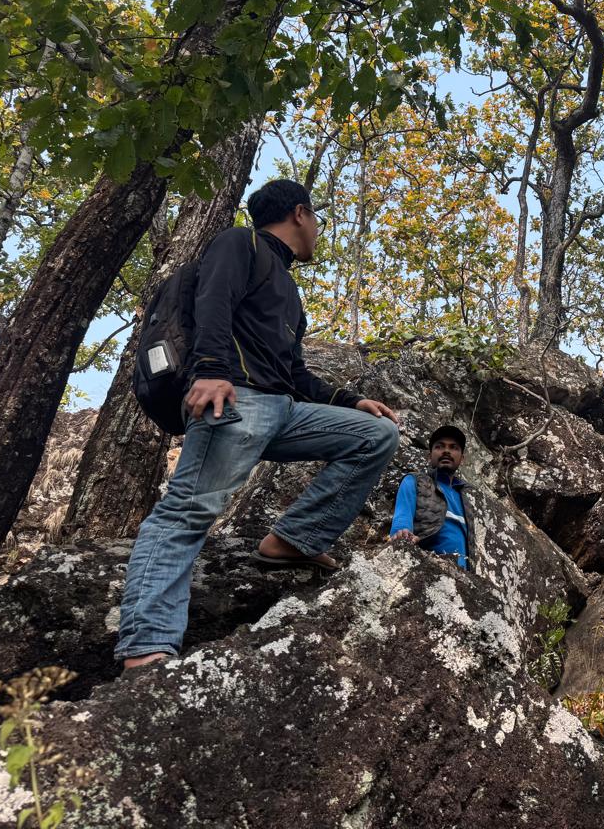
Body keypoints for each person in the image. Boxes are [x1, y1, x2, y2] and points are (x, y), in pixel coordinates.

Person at [115, 179, 401, 670]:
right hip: (236, 400)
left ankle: (292, 542)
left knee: (376, 434)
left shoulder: (288, 289)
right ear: (299, 213)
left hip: (282, 409)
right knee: (185, 514)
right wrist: (209, 369)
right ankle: (146, 648)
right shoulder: (238, 242)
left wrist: (352, 401)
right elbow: (213, 301)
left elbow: (295, 374)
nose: (318, 232)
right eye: (317, 221)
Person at [389, 425, 479, 571]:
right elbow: (402, 516)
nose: (446, 451)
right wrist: (402, 533)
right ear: (430, 456)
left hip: (463, 575)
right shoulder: (415, 481)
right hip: (424, 566)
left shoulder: (466, 499)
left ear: (462, 459)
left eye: (453, 447)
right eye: (439, 446)